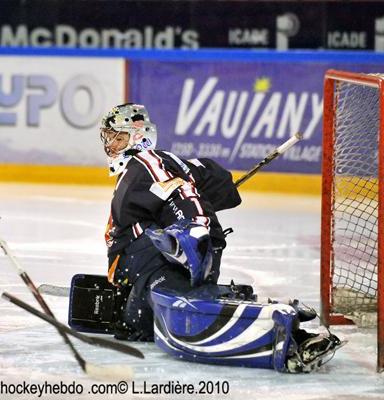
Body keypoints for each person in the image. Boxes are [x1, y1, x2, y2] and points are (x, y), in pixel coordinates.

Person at [73, 102, 343, 372]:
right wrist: (214, 193)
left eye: (118, 137)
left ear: (138, 136)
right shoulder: (150, 168)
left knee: (174, 318)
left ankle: (289, 336)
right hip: (151, 268)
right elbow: (206, 174)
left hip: (164, 263)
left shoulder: (148, 163)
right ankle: (238, 300)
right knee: (138, 324)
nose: (111, 145)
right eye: (110, 137)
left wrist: (194, 226)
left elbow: (180, 193)